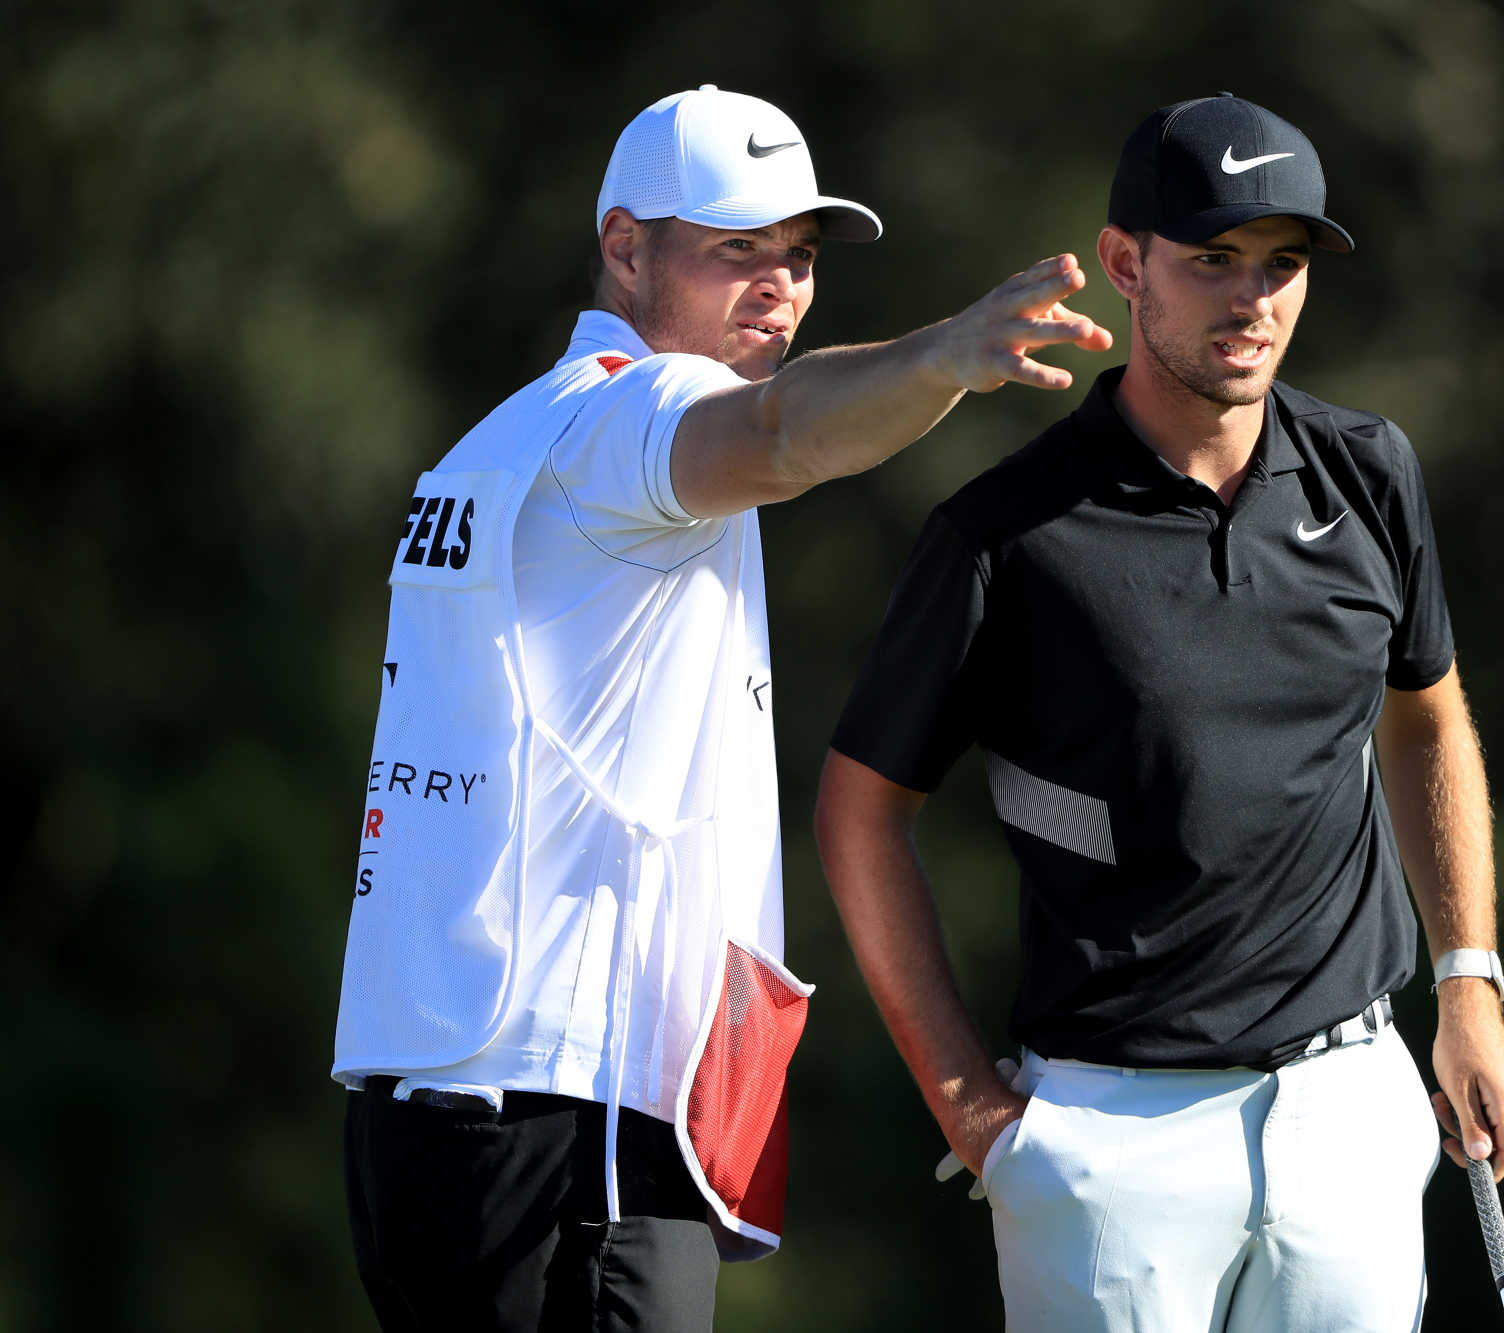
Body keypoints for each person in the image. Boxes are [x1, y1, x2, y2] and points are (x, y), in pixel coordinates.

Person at [331, 84, 1112, 1332]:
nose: (781, 289)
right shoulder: (623, 417)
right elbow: (783, 432)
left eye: (797, 258)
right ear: (625, 245)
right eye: (735, 251)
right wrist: (942, 357)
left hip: (444, 1099)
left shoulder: (497, 438)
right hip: (556, 1117)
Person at [816, 93, 1504, 1331]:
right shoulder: (1006, 533)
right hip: (1107, 1137)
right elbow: (857, 814)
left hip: (1345, 1109)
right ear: (1122, 264)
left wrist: (1467, 984)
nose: (1250, 299)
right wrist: (973, 1115)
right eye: (1211, 261)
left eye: (1281, 265)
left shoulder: (1368, 473)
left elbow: (1425, 718)